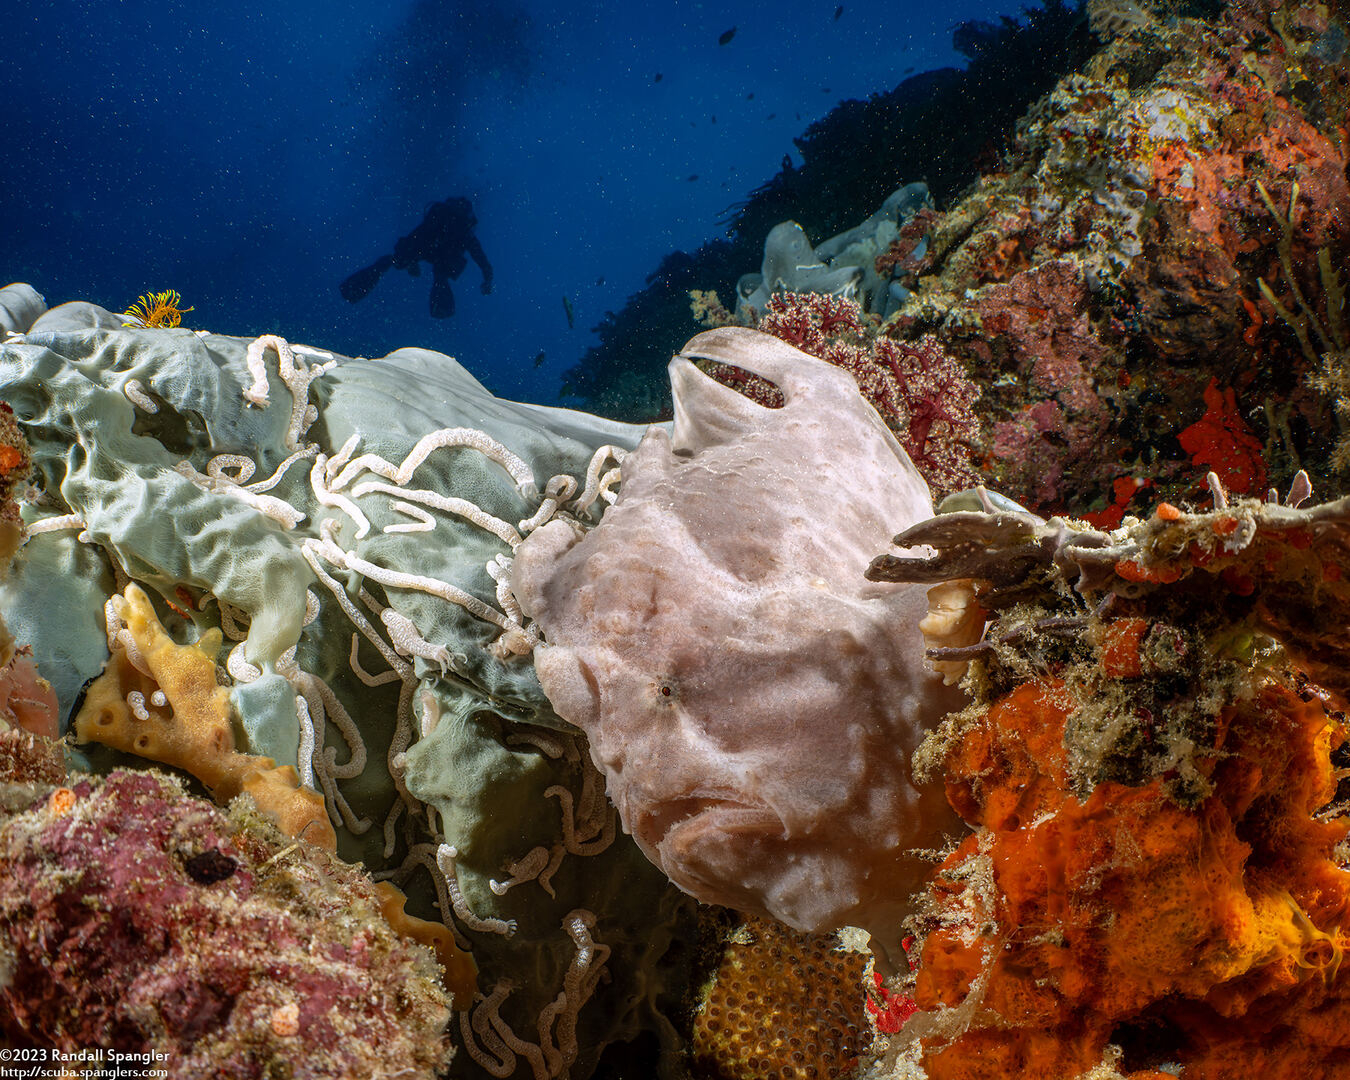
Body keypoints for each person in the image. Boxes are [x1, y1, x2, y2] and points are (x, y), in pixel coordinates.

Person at [340, 196, 493, 318]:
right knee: (441, 276)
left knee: (392, 260)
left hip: (423, 246)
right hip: (441, 256)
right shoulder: (466, 233)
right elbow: (482, 260)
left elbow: (416, 237)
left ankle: (353, 288)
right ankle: (441, 311)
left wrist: (410, 260)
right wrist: (487, 280)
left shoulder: (438, 218)